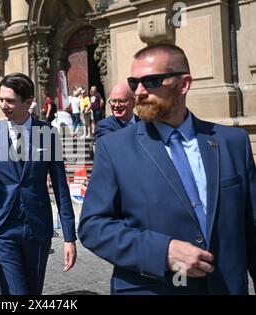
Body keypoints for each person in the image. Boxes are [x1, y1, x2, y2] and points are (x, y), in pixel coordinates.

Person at [78, 43, 256, 295]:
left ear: (184, 84)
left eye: (151, 82)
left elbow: (252, 229)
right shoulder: (114, 148)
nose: (138, 92)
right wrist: (162, 252)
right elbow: (93, 226)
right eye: (134, 82)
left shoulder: (232, 143)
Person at [0, 73, 77, 295]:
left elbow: (60, 187)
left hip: (37, 228)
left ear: (28, 102)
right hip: (1, 228)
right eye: (1, 99)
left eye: (9, 101)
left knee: (31, 291)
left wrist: (69, 237)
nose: (3, 106)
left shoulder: (48, 133)